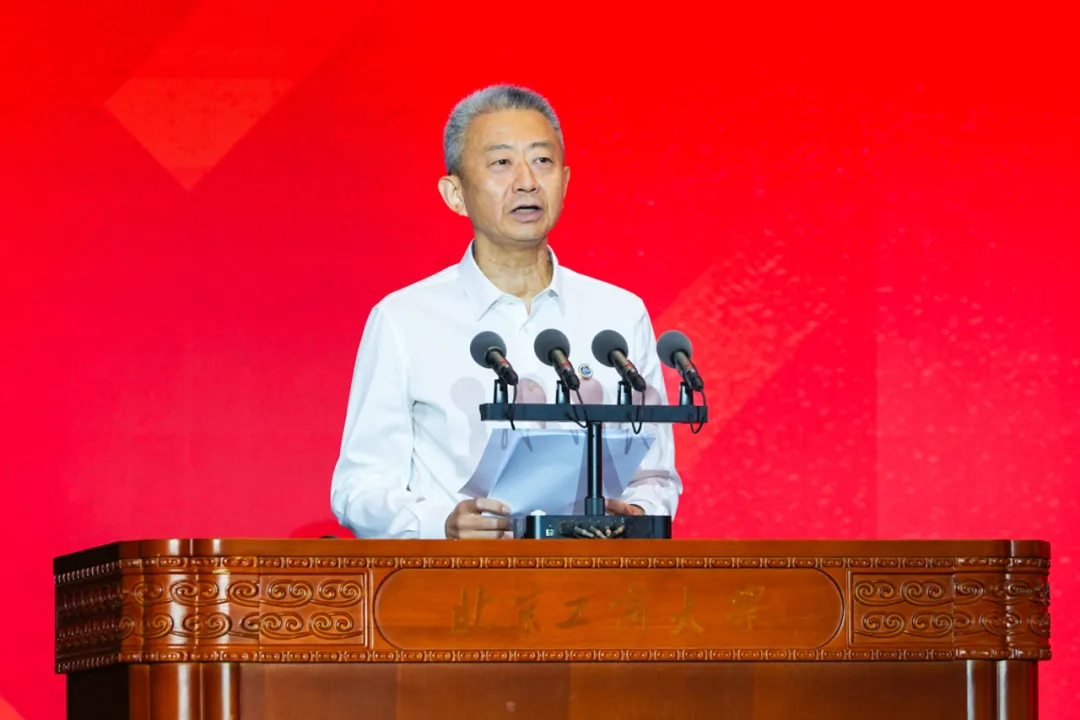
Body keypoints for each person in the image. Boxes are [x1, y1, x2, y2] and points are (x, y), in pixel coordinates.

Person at [330, 84, 681, 539]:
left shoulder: (618, 314)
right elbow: (359, 486)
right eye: (501, 163)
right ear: (455, 194)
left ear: (565, 181)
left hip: (592, 575)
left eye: (542, 160)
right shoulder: (405, 319)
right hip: (460, 577)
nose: (527, 181)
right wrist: (441, 524)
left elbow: (655, 475)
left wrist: (635, 514)